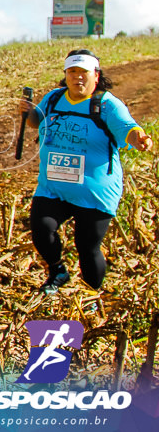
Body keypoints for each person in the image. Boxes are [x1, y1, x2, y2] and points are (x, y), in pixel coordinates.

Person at [19, 49, 153, 294]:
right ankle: (58, 271)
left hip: (94, 191)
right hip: (54, 186)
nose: (77, 77)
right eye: (72, 72)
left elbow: (128, 128)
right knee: (41, 228)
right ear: (65, 75)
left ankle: (93, 293)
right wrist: (28, 112)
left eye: (83, 72)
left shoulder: (107, 105)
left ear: (96, 75)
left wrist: (140, 138)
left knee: (86, 246)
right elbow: (36, 121)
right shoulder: (53, 98)